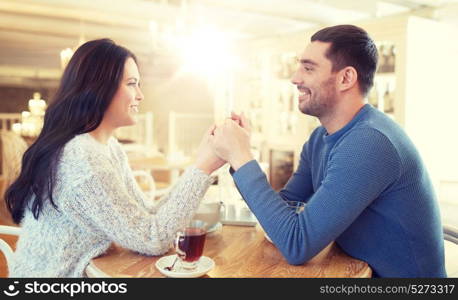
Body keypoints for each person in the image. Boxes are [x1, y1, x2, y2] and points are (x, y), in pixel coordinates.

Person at [210, 25, 446, 277]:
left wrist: (241, 157)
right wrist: (241, 155)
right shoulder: (320, 138)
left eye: (308, 68)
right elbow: (287, 206)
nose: (295, 78)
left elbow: (296, 245)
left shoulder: (370, 142)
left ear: (346, 78)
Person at [5, 39, 224, 277]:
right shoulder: (82, 158)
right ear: (99, 88)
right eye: (132, 84)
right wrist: (203, 167)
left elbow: (148, 215)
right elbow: (153, 239)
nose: (140, 95)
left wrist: (199, 163)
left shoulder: (108, 147)